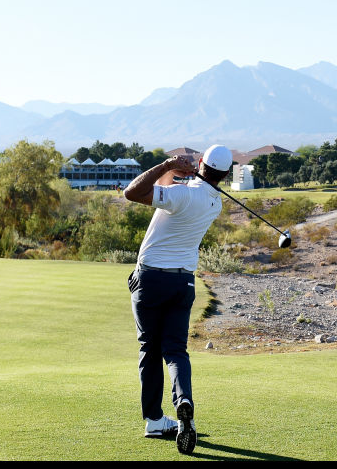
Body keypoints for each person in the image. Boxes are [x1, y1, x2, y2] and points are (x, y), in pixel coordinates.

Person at [123, 144, 233, 455]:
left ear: (200, 163)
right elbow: (164, 187)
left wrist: (168, 163)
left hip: (152, 279)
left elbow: (132, 192)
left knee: (149, 348)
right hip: (183, 282)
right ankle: (183, 400)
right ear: (225, 175)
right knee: (175, 351)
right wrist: (175, 169)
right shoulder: (214, 202)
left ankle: (155, 420)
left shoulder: (184, 195)